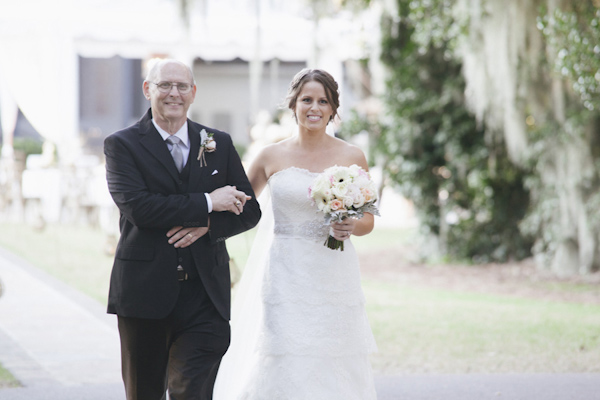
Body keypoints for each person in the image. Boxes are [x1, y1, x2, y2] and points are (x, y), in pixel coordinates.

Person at [213, 68, 378, 399]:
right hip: (285, 273)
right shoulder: (269, 155)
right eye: (306, 100)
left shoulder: (352, 156)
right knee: (283, 350)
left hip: (333, 272)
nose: (314, 107)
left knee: (333, 350)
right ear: (293, 105)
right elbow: (238, 205)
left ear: (333, 108)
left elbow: (368, 220)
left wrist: (351, 225)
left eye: (323, 101)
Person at [104, 59, 261, 400]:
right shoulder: (122, 145)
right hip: (144, 294)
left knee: (191, 391)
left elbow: (249, 209)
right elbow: (139, 208)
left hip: (205, 295)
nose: (173, 93)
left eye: (181, 86)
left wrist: (208, 224)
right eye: (165, 85)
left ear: (193, 93)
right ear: (148, 89)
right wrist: (208, 201)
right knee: (144, 393)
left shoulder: (217, 142)